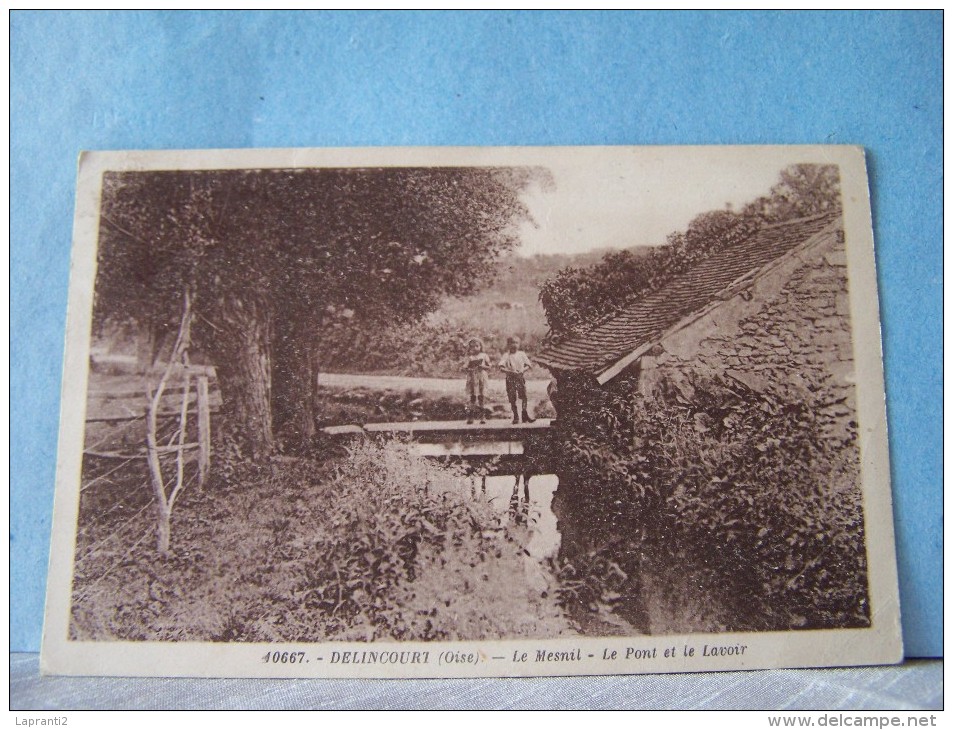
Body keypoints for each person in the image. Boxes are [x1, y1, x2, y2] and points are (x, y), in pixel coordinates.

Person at [499, 336, 535, 425]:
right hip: (510, 379)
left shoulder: (521, 354)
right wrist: (510, 371)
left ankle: (524, 414)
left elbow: (529, 365)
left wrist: (523, 370)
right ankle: (515, 416)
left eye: (516, 343)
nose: (514, 345)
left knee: (524, 396)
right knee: (512, 398)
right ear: (508, 345)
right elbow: (501, 367)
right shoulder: (506, 355)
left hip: (519, 378)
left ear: (519, 344)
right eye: (512, 343)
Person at [463, 337, 490, 424]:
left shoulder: (484, 356)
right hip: (473, 379)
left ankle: (482, 417)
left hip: (481, 378)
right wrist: (469, 368)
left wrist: (483, 367)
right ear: (469, 348)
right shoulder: (470, 357)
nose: (474, 348)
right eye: (472, 346)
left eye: (477, 346)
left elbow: (489, 366)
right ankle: (471, 417)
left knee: (481, 397)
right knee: (472, 398)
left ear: (481, 347)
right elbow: (465, 368)